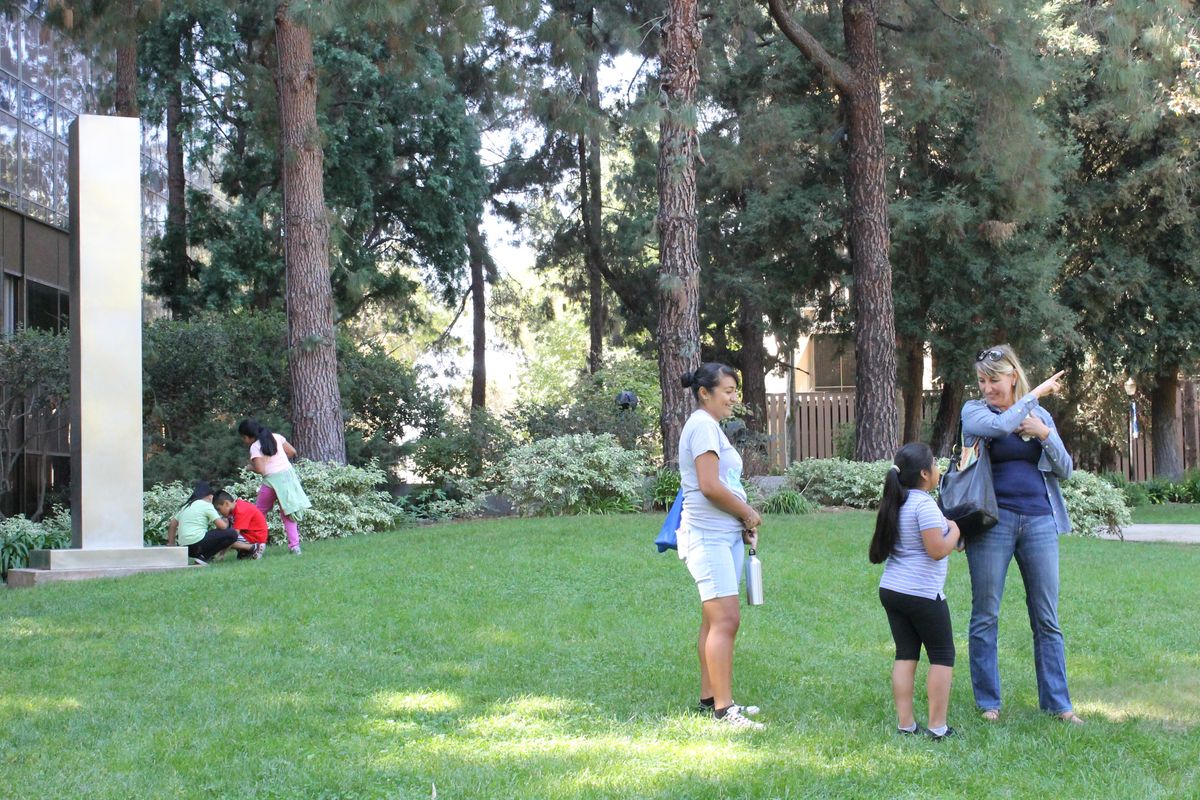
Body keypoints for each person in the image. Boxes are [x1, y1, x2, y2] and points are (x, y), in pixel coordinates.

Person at [961, 344, 1082, 725]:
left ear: (1012, 376)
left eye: (994, 380)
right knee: (986, 614)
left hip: (1039, 521)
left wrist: (1044, 432)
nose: (987, 388)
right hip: (992, 523)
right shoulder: (975, 412)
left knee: (1047, 617)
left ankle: (1059, 705)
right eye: (982, 381)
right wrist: (1033, 396)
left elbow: (1066, 469)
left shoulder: (1040, 416)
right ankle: (988, 703)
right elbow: (999, 427)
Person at [677, 362, 763, 730]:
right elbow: (710, 486)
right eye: (727, 391)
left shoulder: (710, 426)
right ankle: (724, 711)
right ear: (704, 393)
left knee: (714, 620)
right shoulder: (701, 426)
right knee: (726, 619)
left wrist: (740, 523)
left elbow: (723, 484)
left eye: (734, 391)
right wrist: (748, 513)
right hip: (706, 537)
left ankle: (710, 697)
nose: (733, 398)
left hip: (723, 534)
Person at [869, 443, 962, 740]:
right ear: (924, 473)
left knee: (906, 654)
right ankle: (938, 727)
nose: (938, 469)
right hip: (922, 593)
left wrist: (948, 532)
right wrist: (956, 531)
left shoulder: (898, 501)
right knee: (942, 656)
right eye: (934, 464)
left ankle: (906, 724)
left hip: (892, 589)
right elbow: (937, 550)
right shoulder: (924, 505)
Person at [238, 419, 311, 555]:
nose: (244, 440)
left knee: (259, 513)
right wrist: (279, 462)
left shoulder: (255, 447)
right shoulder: (276, 437)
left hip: (271, 482)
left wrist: (250, 467)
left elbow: (261, 470)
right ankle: (295, 547)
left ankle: (257, 544)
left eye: (243, 437)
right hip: (288, 478)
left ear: (248, 436)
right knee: (289, 513)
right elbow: (292, 452)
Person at [167, 480, 236, 565]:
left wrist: (171, 544)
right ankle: (203, 557)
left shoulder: (186, 506)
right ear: (210, 496)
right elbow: (222, 527)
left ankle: (202, 558)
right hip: (198, 544)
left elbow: (172, 524)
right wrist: (226, 522)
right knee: (232, 533)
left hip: (186, 548)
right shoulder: (206, 505)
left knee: (210, 534)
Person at [213, 490, 267, 560]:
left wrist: (222, 554)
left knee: (225, 537)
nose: (219, 512)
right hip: (249, 535)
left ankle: (255, 548)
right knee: (224, 535)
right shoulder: (236, 507)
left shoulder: (241, 510)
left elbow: (233, 536)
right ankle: (248, 551)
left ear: (226, 503)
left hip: (256, 538)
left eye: (219, 509)